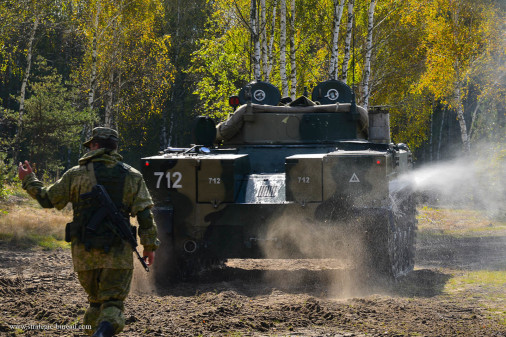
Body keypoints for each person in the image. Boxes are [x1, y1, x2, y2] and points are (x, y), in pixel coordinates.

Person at [18, 127, 160, 337]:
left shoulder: (76, 174)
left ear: (95, 145)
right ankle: (102, 333)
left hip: (84, 255)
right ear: (114, 147)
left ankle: (96, 332)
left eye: (90, 144)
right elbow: (145, 214)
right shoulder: (132, 176)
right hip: (117, 255)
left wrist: (29, 179)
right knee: (112, 303)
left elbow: (47, 198)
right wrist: (149, 246)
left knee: (95, 303)